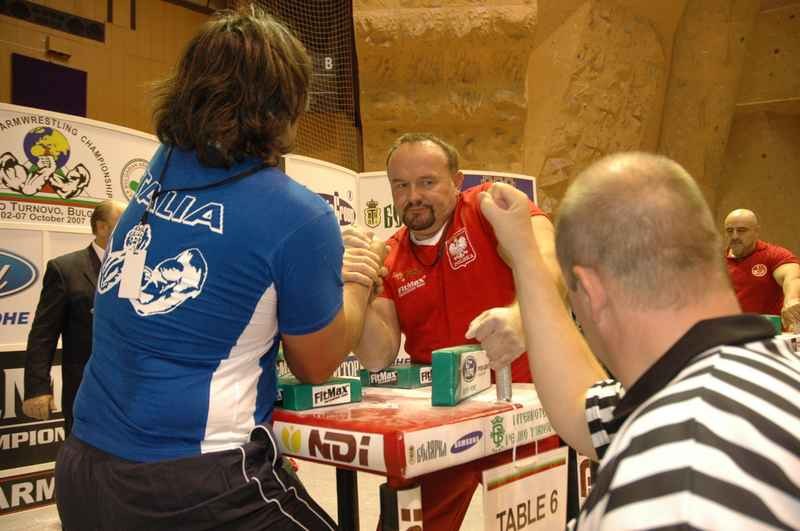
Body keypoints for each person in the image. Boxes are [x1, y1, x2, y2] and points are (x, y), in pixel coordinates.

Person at [55, 9, 383, 530]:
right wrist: (358, 282)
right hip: (193, 481)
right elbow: (316, 364)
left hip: (83, 469)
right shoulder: (299, 215)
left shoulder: (161, 167)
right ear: (288, 103)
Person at [479, 152, 800, 529]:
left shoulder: (676, 480)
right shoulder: (760, 371)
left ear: (593, 293)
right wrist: (527, 257)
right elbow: (581, 409)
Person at [351, 133, 564, 530]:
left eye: (427, 182)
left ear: (457, 180)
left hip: (519, 413)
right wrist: (355, 292)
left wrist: (522, 316)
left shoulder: (489, 207)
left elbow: (550, 261)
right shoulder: (391, 254)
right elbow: (377, 355)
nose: (413, 195)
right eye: (401, 185)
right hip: (437, 429)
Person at [23, 199, 125, 435]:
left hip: (130, 392)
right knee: (83, 465)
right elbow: (43, 334)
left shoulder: (138, 269)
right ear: (102, 228)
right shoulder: (65, 269)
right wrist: (37, 388)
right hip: (85, 391)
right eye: (122, 223)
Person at [724, 208, 800, 331]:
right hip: (730, 335)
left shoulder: (774, 255)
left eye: (741, 230)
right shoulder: (718, 261)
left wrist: (792, 299)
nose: (734, 236)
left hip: (767, 336)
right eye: (729, 231)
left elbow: (792, 278)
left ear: (756, 231)